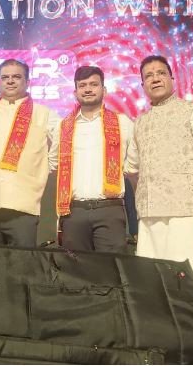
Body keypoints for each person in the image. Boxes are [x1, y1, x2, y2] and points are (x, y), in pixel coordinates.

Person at [124, 55, 193, 289]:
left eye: (161, 73)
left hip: (186, 216)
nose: (155, 79)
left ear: (172, 78)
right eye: (149, 76)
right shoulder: (140, 122)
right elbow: (131, 168)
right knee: (153, 289)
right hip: (150, 219)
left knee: (186, 288)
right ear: (143, 85)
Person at [0, 59, 59, 247]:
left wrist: (47, 166)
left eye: (16, 77)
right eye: (5, 77)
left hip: (23, 204)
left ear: (27, 81)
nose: (10, 81)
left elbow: (63, 142)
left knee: (21, 263)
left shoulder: (43, 113)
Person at [56, 65, 135, 254]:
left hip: (109, 209)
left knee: (111, 268)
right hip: (74, 211)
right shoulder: (63, 126)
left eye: (93, 84)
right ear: (75, 92)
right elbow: (54, 164)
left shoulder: (122, 123)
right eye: (82, 85)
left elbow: (133, 163)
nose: (88, 89)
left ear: (104, 90)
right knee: (76, 269)